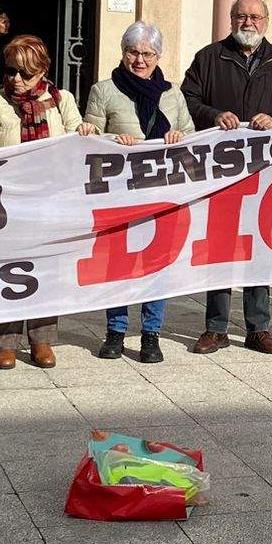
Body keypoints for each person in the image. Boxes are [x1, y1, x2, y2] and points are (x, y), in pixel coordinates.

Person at [180, 0, 272, 355]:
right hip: (221, 171)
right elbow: (187, 100)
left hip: (265, 172)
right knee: (220, 244)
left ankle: (258, 327)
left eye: (255, 17)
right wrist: (215, 114)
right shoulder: (209, 57)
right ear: (231, 20)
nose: (248, 23)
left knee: (259, 246)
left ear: (266, 21)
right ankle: (215, 327)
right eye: (241, 16)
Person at [82, 22, 192, 364]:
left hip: (161, 193)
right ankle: (115, 331)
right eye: (133, 52)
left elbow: (192, 136)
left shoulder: (173, 94)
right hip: (120, 194)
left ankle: (150, 334)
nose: (140, 59)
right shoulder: (104, 90)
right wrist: (113, 140)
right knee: (118, 263)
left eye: (147, 53)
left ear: (158, 57)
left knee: (156, 263)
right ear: (123, 52)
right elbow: (90, 137)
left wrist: (179, 136)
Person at [0, 34, 81, 369]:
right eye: (11, 71)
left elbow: (78, 136)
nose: (16, 80)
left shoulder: (61, 100)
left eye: (25, 73)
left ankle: (42, 340)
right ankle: (5, 342)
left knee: (44, 270)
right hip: (7, 203)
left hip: (49, 202)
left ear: (42, 71)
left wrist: (89, 133)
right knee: (6, 271)